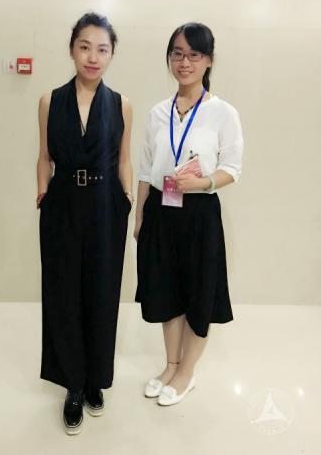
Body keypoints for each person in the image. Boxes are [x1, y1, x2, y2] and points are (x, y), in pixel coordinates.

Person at [134, 22, 243, 406]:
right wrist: (140, 218)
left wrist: (202, 183)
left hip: (199, 213)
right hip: (161, 209)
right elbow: (145, 169)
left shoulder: (223, 113)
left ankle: (187, 373)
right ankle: (171, 364)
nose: (185, 62)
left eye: (194, 55)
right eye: (177, 54)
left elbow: (233, 168)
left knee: (199, 292)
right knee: (166, 290)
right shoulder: (157, 113)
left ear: (208, 60)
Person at [36, 12, 133, 434]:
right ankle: (73, 384)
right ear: (72, 49)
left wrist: (127, 200)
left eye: (102, 49)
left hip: (106, 206)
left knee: (102, 293)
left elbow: (124, 160)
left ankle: (95, 378)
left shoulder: (121, 104)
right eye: (85, 47)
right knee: (63, 293)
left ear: (111, 55)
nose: (93, 57)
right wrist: (42, 192)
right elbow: (44, 156)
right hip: (62, 206)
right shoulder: (49, 101)